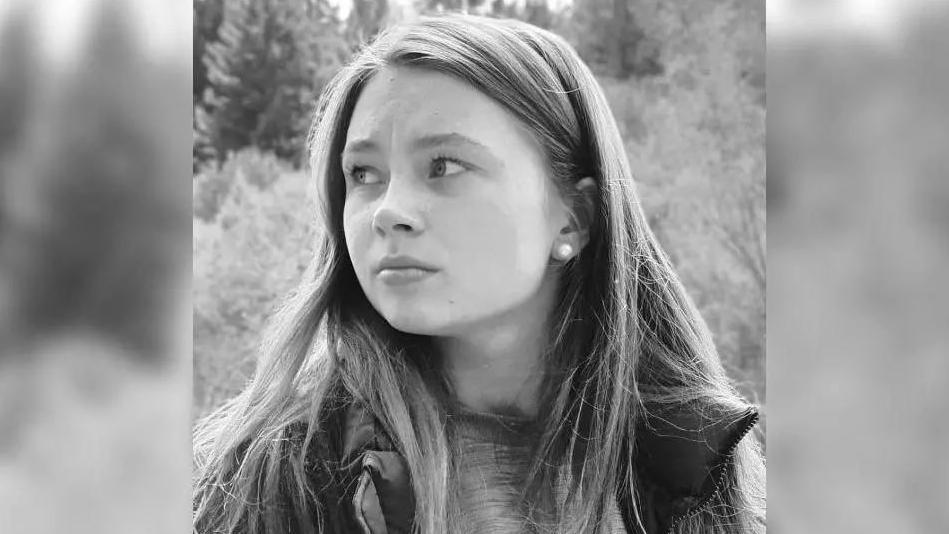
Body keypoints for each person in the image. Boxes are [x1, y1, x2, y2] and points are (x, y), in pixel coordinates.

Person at [193, 13, 765, 534]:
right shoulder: (268, 479)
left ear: (574, 217)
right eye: (363, 173)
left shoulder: (688, 464)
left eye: (443, 166)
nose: (387, 209)